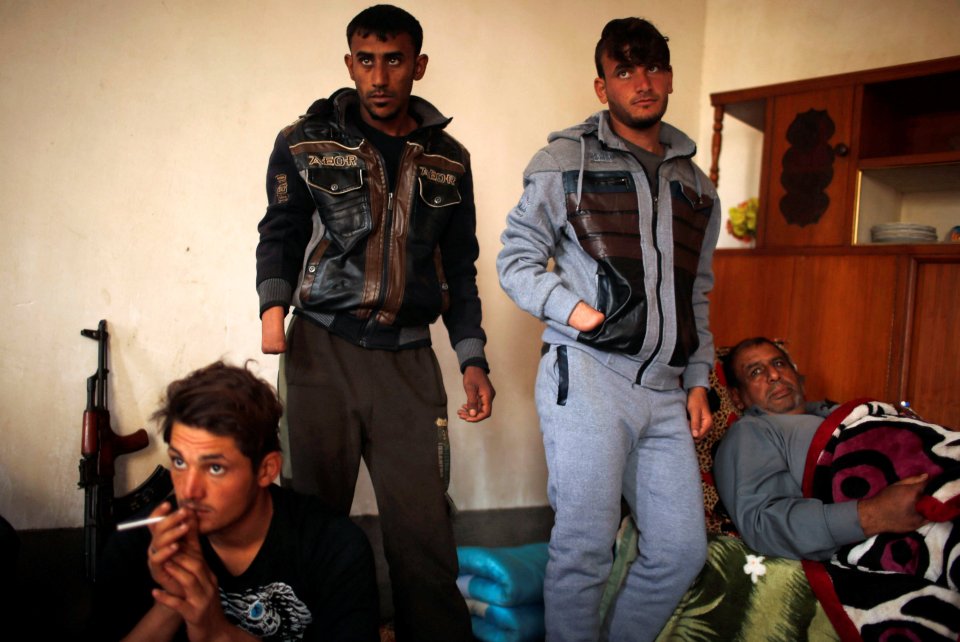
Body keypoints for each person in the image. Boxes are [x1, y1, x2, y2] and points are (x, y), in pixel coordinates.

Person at [255, 5, 493, 639]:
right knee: (310, 521)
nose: (379, 77)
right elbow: (279, 233)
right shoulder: (305, 141)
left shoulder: (450, 159)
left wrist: (472, 357)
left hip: (410, 359)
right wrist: (272, 310)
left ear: (417, 65)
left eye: (393, 61)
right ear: (349, 64)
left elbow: (461, 269)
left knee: (423, 533)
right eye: (366, 60)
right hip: (320, 354)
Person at [497, 17, 721, 641]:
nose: (641, 83)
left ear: (669, 76)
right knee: (584, 547)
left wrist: (699, 380)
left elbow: (696, 292)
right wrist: (573, 311)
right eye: (624, 71)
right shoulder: (562, 161)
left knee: (680, 550)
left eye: (652, 67)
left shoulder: (699, 188)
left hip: (667, 390)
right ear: (603, 87)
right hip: (588, 375)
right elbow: (515, 260)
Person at [90, 362, 380, 641]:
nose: (189, 491)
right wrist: (173, 602)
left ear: (266, 469)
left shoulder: (332, 545)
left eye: (215, 468)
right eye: (179, 462)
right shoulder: (138, 541)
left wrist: (216, 632)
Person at [713, 337, 930, 561]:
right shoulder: (750, 432)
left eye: (779, 364)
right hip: (904, 529)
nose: (775, 375)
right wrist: (875, 514)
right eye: (756, 372)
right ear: (737, 397)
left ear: (797, 376)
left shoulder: (838, 411)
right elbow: (762, 524)